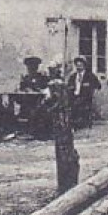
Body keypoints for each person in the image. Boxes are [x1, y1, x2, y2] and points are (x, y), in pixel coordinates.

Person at [46, 63, 79, 193]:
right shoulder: (62, 85)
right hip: (65, 121)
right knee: (65, 150)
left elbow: (56, 103)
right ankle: (67, 183)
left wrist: (47, 106)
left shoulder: (55, 85)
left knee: (63, 152)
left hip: (60, 121)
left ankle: (65, 183)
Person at [15, 55, 52, 138]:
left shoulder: (42, 78)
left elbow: (46, 90)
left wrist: (37, 90)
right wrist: (24, 90)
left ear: (37, 67)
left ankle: (34, 131)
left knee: (36, 111)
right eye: (29, 67)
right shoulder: (25, 79)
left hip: (39, 103)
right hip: (26, 103)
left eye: (33, 67)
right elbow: (21, 92)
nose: (31, 69)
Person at [65, 56, 101, 130]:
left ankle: (80, 123)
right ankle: (72, 124)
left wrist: (91, 90)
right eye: (77, 66)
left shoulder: (90, 75)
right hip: (74, 97)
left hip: (85, 98)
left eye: (80, 65)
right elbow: (69, 86)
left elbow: (98, 86)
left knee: (78, 104)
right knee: (68, 104)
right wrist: (71, 91)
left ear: (84, 65)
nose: (78, 68)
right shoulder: (73, 76)